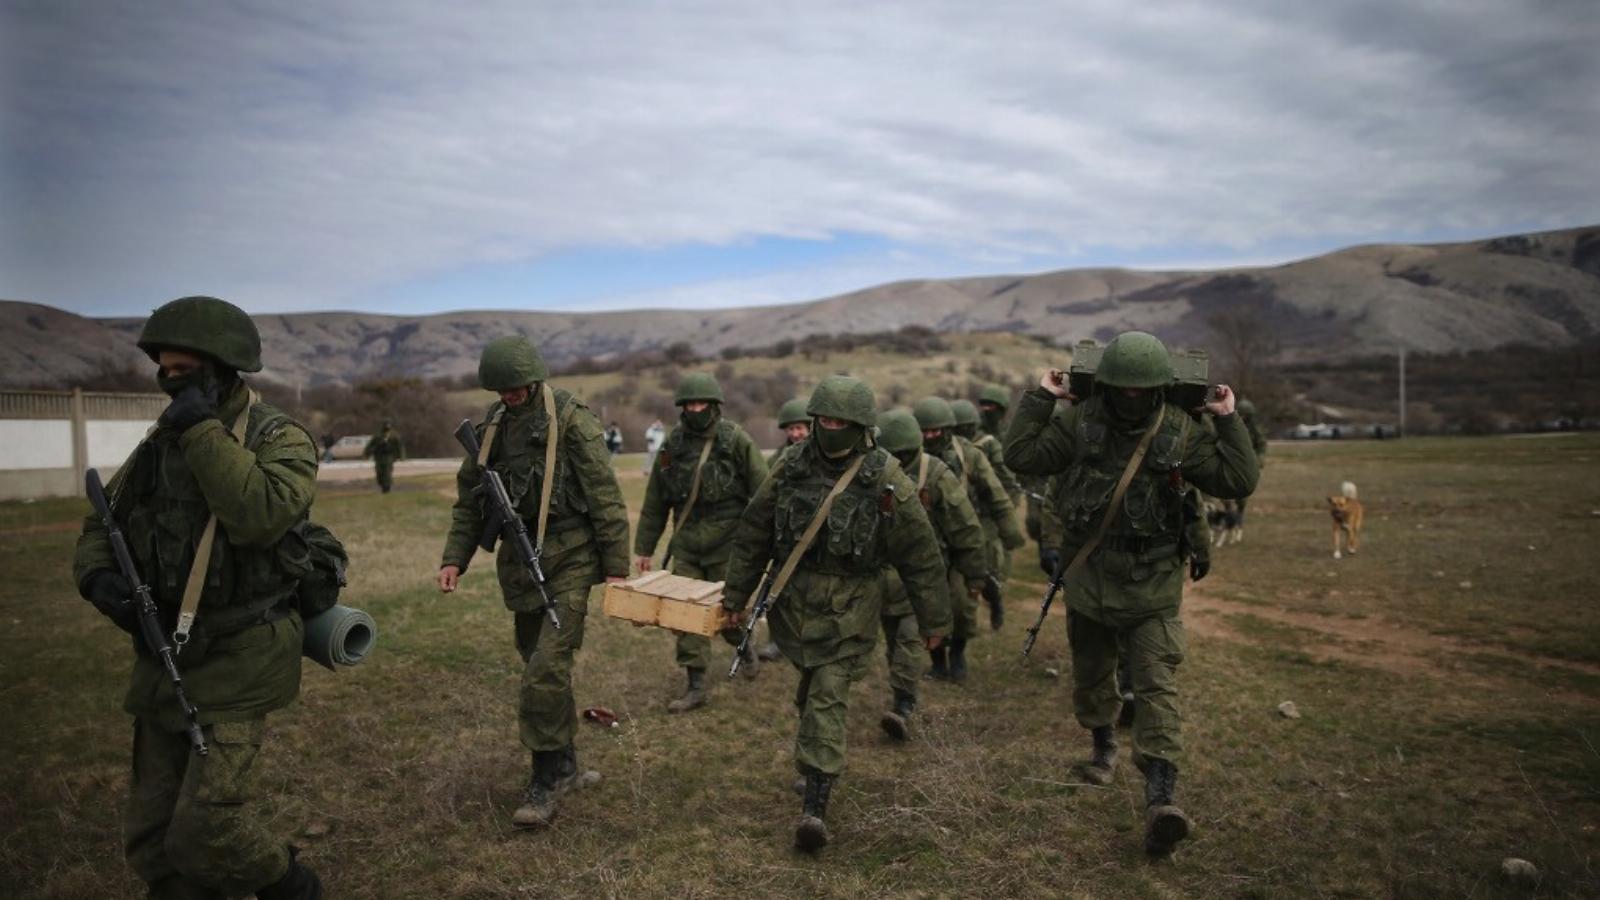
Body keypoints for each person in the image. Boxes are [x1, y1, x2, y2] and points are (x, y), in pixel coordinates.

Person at [72, 295, 325, 899]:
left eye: (186, 372)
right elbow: (100, 523)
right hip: (163, 658)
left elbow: (260, 514)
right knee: (153, 835)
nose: (171, 383)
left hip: (240, 655)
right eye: (165, 370)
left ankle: (292, 886)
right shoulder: (159, 443)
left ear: (225, 369)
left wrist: (201, 430)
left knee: (208, 828)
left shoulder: (279, 438)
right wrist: (100, 582)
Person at [1005, 330, 1258, 856]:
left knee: (1155, 683)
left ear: (1161, 388)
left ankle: (1161, 797)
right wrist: (1043, 398)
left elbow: (1237, 479)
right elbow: (1022, 455)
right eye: (1124, 389)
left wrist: (1228, 418)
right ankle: (1102, 750)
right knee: (1093, 671)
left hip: (1152, 581)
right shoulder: (1081, 422)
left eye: (1144, 391)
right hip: (1091, 573)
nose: (1133, 399)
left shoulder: (1181, 432)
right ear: (1109, 385)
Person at [720, 376, 951, 853]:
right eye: (825, 420)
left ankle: (816, 805)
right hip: (794, 607)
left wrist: (935, 621)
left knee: (827, 694)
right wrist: (735, 598)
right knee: (809, 691)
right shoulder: (790, 466)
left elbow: (920, 554)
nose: (831, 428)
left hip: (851, 606)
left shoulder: (886, 476)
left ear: (862, 426)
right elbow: (753, 533)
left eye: (841, 422)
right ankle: (814, 766)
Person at [438, 335, 630, 829]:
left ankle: (544, 777)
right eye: (501, 389)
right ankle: (564, 764)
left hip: (571, 559)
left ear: (535, 378)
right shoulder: (492, 426)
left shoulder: (571, 418)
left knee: (544, 669)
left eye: (517, 387)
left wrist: (617, 566)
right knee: (538, 664)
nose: (510, 396)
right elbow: (470, 500)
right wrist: (455, 557)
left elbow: (605, 494)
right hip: (520, 562)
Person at [633, 373, 769, 711]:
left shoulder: (735, 440)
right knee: (687, 615)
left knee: (727, 612)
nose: (695, 410)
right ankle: (695, 685)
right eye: (689, 404)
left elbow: (763, 491)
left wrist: (762, 541)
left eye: (701, 404)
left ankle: (744, 646)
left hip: (729, 541)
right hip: (688, 541)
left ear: (714, 406)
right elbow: (655, 501)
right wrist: (645, 548)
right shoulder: (673, 446)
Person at [873, 408, 986, 740]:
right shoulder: (872, 473)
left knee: (909, 639)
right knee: (893, 642)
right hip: (881, 575)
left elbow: (966, 528)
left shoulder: (936, 474)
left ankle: (904, 704)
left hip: (922, 573)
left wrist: (976, 575)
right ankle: (904, 692)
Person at [913, 397, 1021, 678]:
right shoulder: (913, 458)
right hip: (928, 543)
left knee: (963, 606)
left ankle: (957, 653)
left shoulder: (971, 456)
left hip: (965, 540)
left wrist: (1010, 533)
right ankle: (937, 663)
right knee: (930, 607)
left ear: (947, 429)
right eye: (925, 431)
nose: (930, 436)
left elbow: (996, 495)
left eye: (936, 431)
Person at [768, 396, 811, 468]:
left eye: (799, 428)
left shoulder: (822, 453)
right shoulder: (779, 457)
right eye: (791, 429)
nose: (795, 434)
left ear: (810, 428)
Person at [362, 420, 405, 493]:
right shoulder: (378, 436)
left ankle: (387, 488)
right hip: (379, 457)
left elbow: (399, 446)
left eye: (388, 425)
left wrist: (401, 456)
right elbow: (370, 445)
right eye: (386, 425)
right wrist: (366, 454)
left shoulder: (394, 435)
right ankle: (382, 484)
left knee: (387, 472)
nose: (387, 427)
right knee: (379, 472)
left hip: (389, 456)